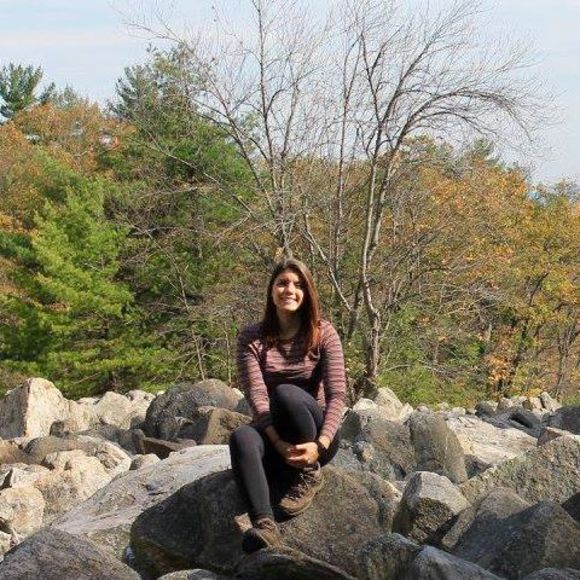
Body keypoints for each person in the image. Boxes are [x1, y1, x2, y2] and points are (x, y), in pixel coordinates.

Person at [229, 258, 347, 553]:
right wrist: (278, 443)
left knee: (285, 394)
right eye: (282, 283)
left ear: (307, 293)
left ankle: (309, 473)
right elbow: (257, 396)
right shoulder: (251, 339)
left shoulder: (324, 333)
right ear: (271, 291)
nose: (289, 290)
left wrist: (320, 445)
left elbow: (337, 395)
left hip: (317, 436)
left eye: (298, 285)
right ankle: (265, 525)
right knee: (241, 437)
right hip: (276, 435)